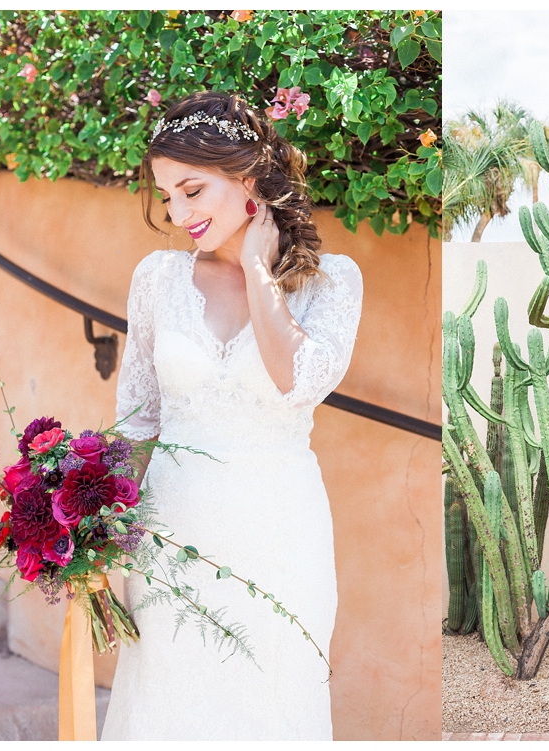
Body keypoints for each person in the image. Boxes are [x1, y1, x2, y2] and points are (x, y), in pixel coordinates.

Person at [101, 91, 362, 740]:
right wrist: (110, 544)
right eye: (167, 196)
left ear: (248, 178)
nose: (178, 212)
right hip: (170, 536)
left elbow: (294, 382)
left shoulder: (332, 282)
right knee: (167, 702)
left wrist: (255, 269)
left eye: (192, 190)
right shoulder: (158, 278)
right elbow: (135, 421)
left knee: (273, 700)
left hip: (279, 536)